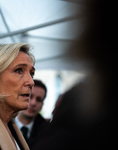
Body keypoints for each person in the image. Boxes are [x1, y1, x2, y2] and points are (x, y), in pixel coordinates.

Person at [30, 0, 118, 150]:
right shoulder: (84, 99)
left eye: (39, 99)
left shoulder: (83, 101)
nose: (32, 103)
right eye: (31, 96)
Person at [15, 79, 49, 148]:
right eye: (29, 96)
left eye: (39, 99)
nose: (33, 103)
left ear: (42, 105)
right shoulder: (3, 124)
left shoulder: (47, 132)